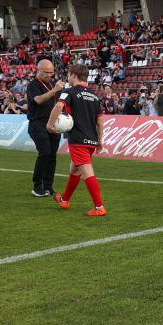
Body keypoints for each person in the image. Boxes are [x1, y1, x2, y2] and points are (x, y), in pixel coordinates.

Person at [48, 64, 108, 217]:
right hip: (91, 140)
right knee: (74, 168)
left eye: (69, 75)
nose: (68, 77)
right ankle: (65, 199)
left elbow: (58, 106)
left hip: (78, 139)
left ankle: (99, 206)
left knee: (87, 171)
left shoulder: (68, 92)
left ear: (73, 75)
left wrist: (49, 124)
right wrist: (100, 141)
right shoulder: (95, 96)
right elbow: (100, 121)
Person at [26, 59, 65, 197]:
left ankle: (48, 186)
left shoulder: (52, 84)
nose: (50, 75)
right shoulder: (33, 85)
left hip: (53, 123)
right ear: (39, 71)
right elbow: (39, 100)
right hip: (38, 124)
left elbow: (59, 102)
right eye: (47, 72)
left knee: (52, 155)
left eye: (51, 72)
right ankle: (37, 186)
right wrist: (54, 90)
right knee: (45, 152)